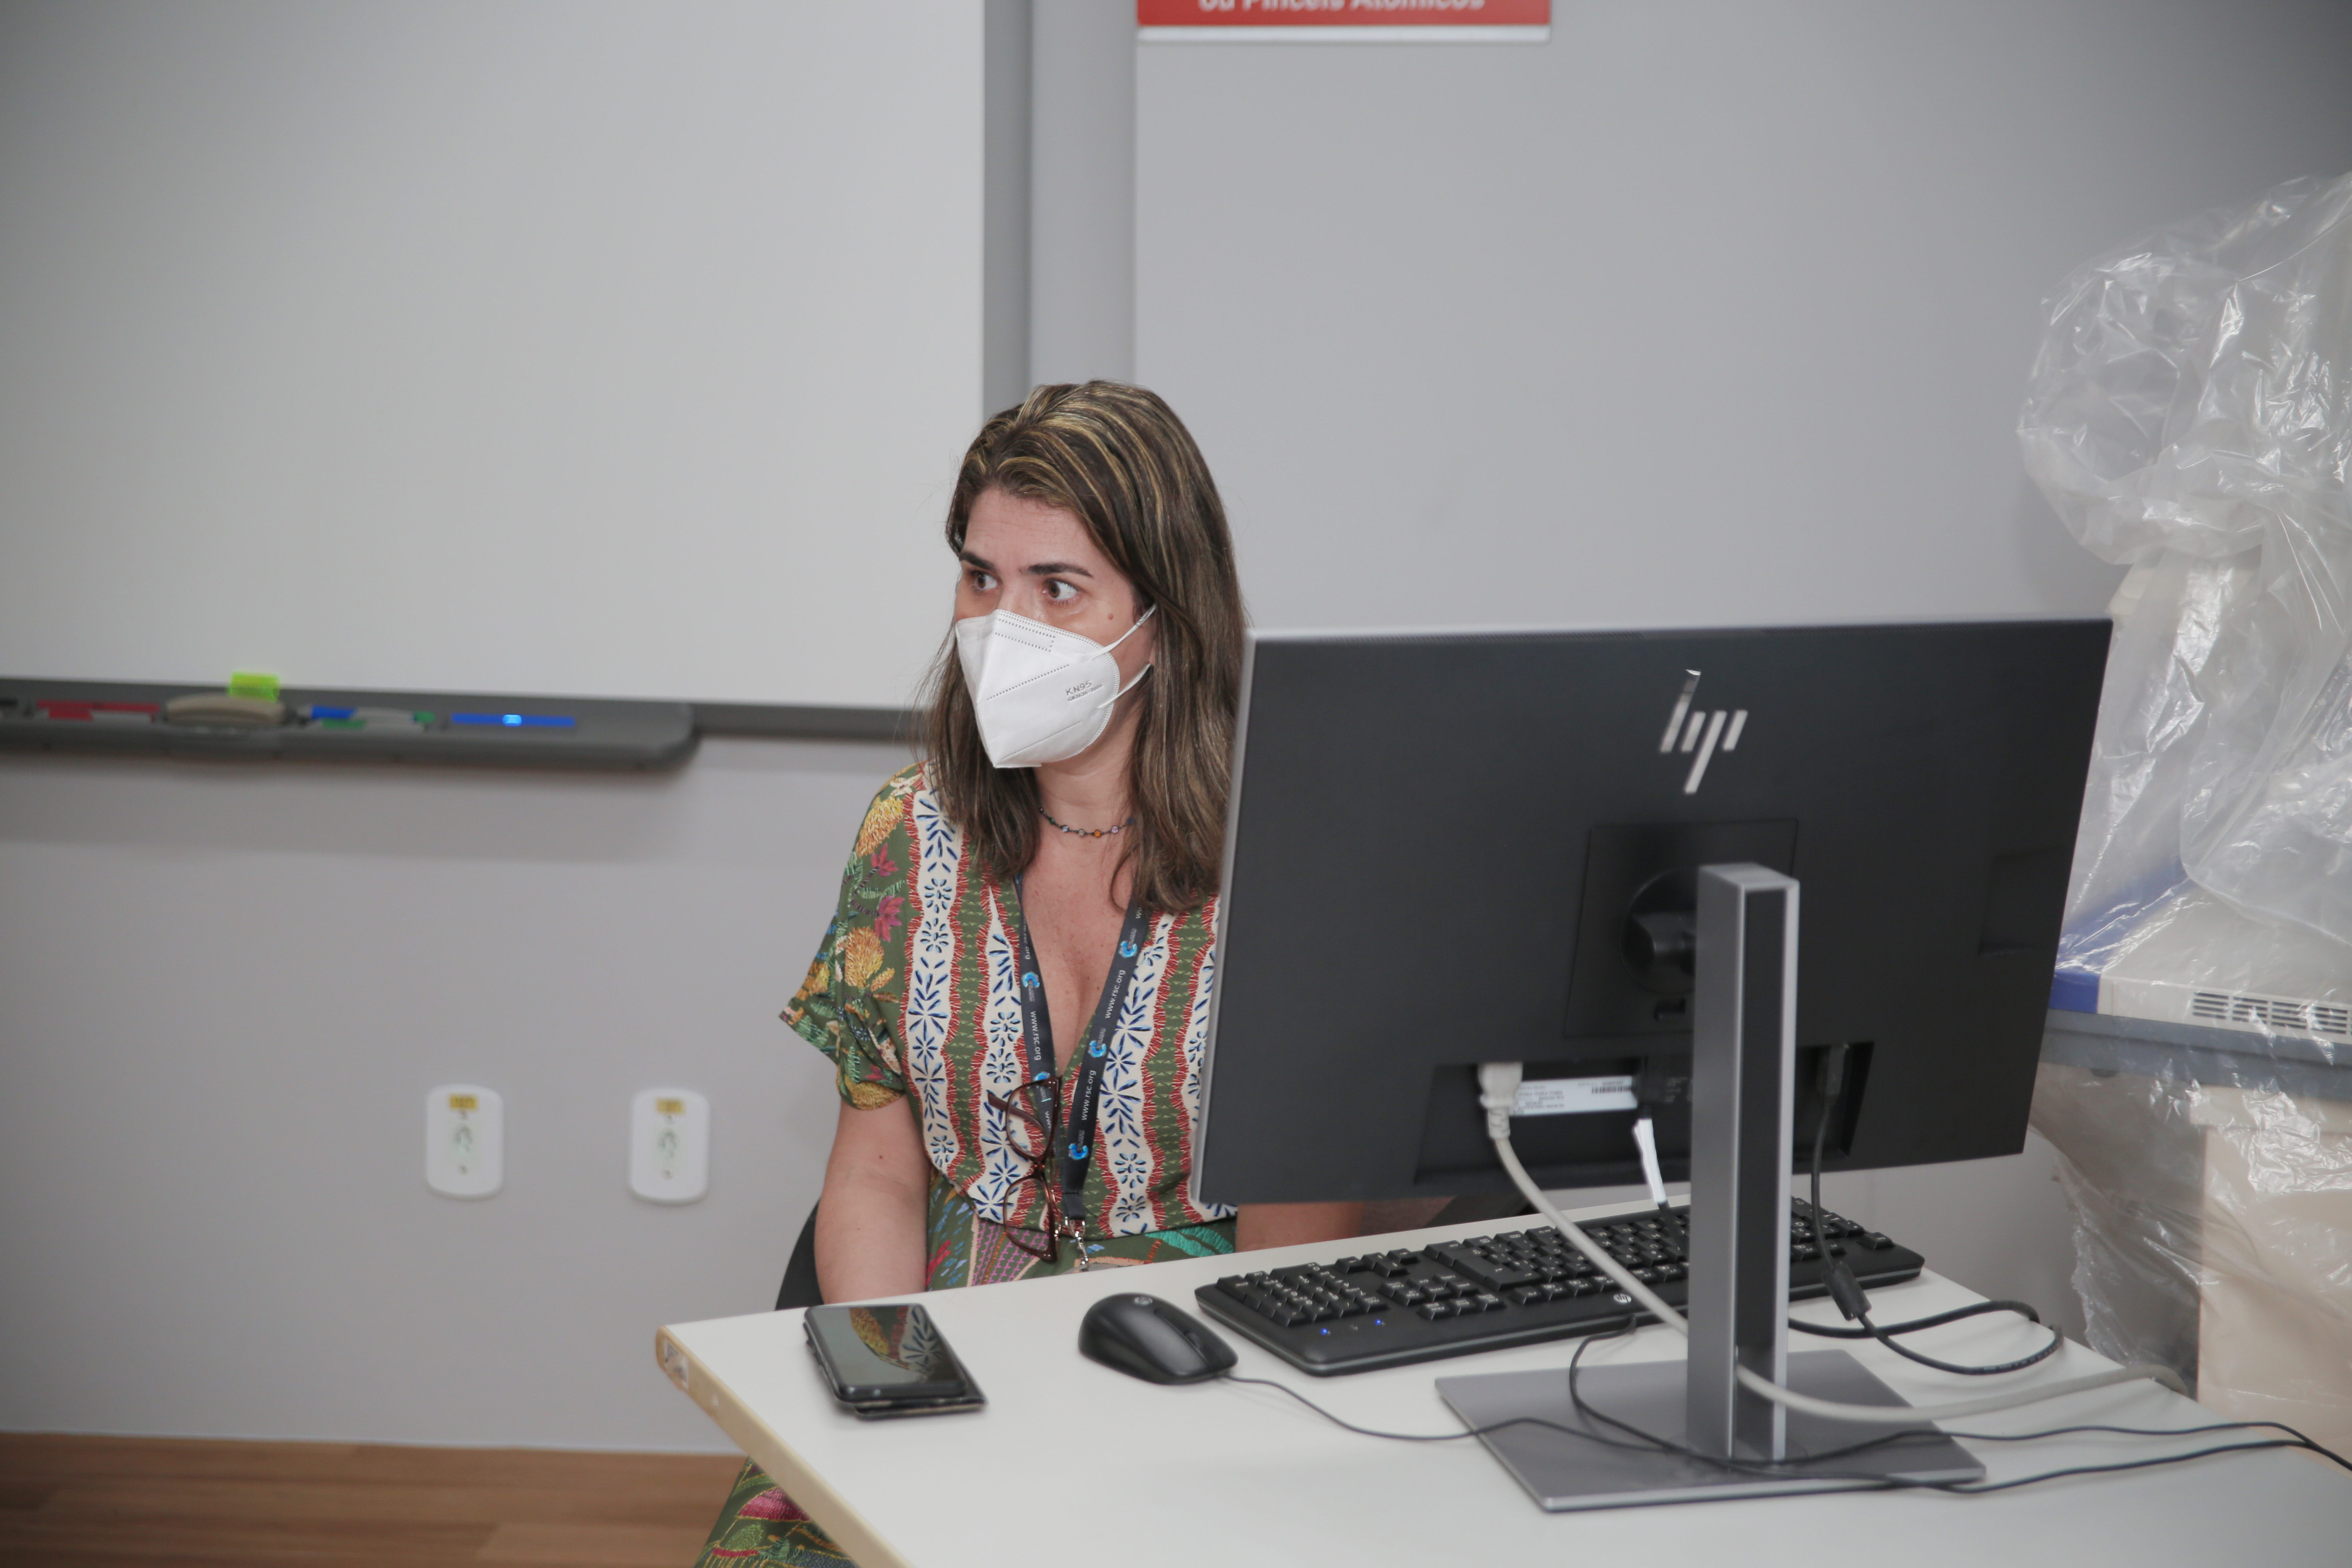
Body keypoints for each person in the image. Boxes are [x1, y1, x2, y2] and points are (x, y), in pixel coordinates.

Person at [694, 383, 1370, 1567]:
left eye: (1058, 587)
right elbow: (875, 1174)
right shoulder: (909, 834)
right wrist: (889, 1391)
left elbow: (1294, 1253)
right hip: (939, 1342)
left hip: (1194, 1360)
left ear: (1166, 615)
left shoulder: (1291, 863)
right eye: (980, 578)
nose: (1002, 626)